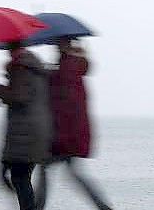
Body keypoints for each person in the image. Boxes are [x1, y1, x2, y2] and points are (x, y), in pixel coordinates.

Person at [35, 38, 112, 210]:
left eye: (58, 44)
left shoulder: (67, 69)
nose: (55, 48)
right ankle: (103, 206)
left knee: (47, 168)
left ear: (64, 46)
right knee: (73, 173)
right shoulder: (72, 68)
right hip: (73, 133)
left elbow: (63, 106)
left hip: (64, 134)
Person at [0, 41, 52, 210]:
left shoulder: (21, 67)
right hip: (31, 132)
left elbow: (19, 96)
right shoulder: (29, 65)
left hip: (24, 134)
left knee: (19, 178)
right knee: (15, 177)